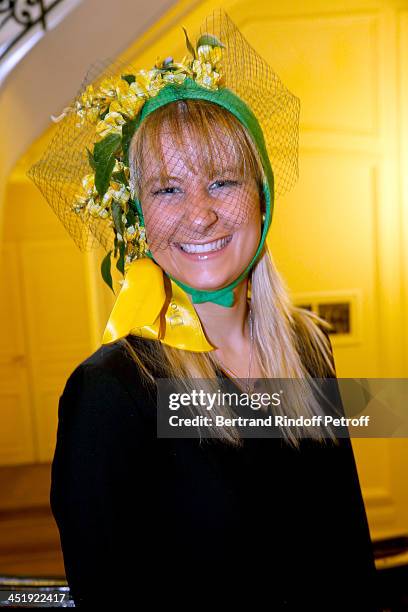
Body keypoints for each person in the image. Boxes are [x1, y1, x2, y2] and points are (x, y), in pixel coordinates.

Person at [29, 11, 380, 609]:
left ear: (263, 199)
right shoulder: (112, 392)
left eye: (222, 182)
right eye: (168, 189)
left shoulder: (307, 345)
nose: (199, 215)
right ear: (138, 218)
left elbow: (348, 546)